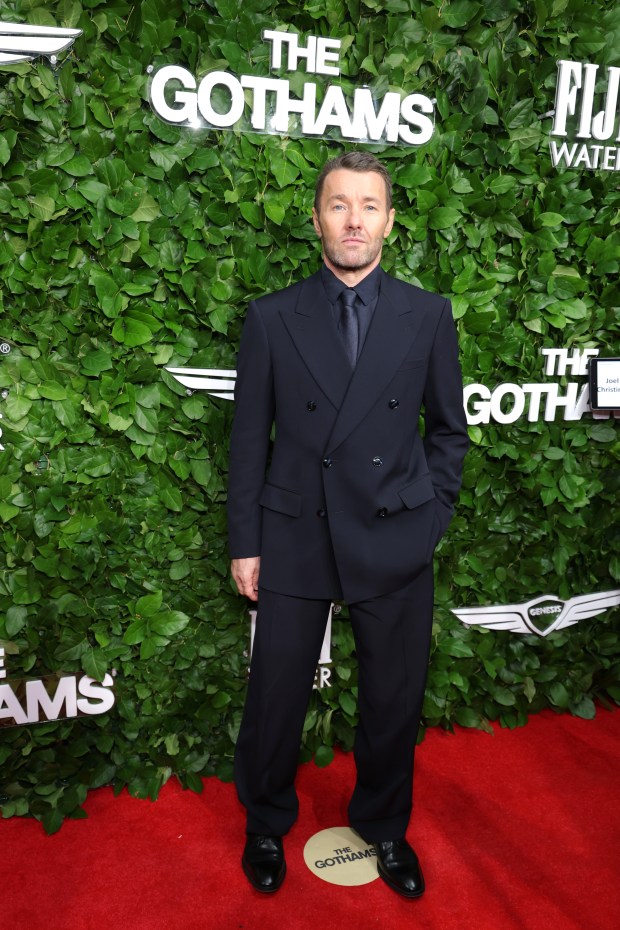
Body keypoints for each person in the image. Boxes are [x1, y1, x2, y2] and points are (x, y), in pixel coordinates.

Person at [227, 151, 468, 898]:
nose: (355, 218)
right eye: (339, 204)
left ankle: (385, 827)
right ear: (317, 219)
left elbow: (449, 431)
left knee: (394, 697)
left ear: (390, 223)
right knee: (276, 695)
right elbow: (247, 439)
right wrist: (246, 541)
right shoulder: (272, 317)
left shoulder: (426, 315)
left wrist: (430, 516)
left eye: (369, 205)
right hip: (296, 529)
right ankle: (266, 821)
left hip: (394, 530)